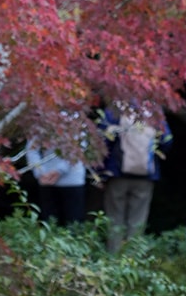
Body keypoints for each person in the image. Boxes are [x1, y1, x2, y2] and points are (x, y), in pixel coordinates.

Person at [96, 107, 164, 251]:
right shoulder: (153, 111)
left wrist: (100, 173)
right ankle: (132, 260)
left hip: (117, 174)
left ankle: (113, 260)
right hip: (145, 176)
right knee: (137, 221)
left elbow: (102, 141)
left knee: (115, 219)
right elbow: (166, 140)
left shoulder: (115, 110)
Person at [24, 140, 87, 227]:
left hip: (72, 182)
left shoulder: (79, 127)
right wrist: (39, 171)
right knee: (49, 224)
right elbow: (32, 149)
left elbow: (78, 149)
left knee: (74, 224)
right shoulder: (39, 127)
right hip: (46, 180)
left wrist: (59, 171)